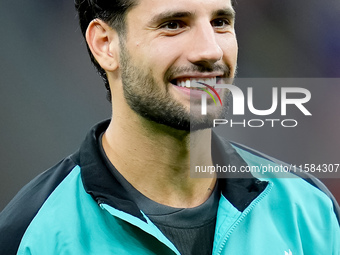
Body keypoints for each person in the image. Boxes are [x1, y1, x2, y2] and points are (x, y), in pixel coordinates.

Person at [0, 0, 339, 254]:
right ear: (105, 44)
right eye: (174, 24)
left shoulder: (309, 211)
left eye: (220, 22)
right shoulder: (33, 234)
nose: (210, 50)